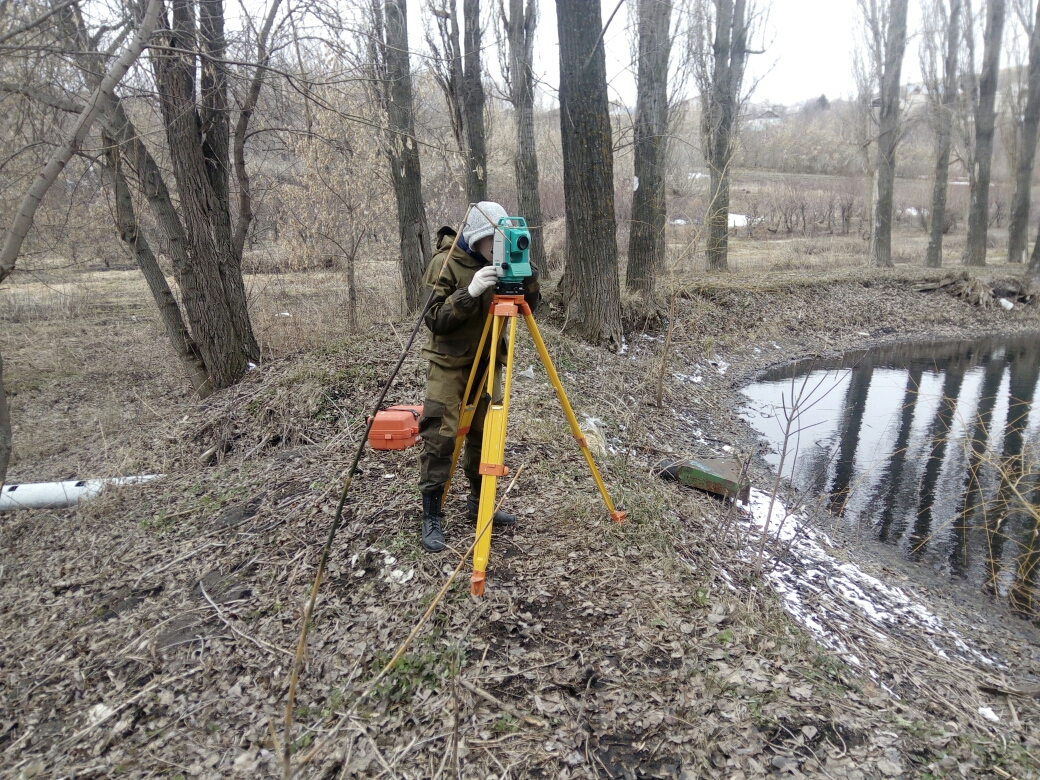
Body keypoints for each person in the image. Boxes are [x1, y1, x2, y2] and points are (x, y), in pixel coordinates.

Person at [417, 202, 540, 552]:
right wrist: (468, 294)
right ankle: (431, 513)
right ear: (477, 236)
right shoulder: (445, 262)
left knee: (485, 435)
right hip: (449, 363)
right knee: (441, 435)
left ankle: (478, 501)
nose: (498, 246)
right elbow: (434, 319)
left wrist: (524, 271)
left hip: (487, 363)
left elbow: (534, 303)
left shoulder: (501, 262)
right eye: (492, 239)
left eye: (503, 239)